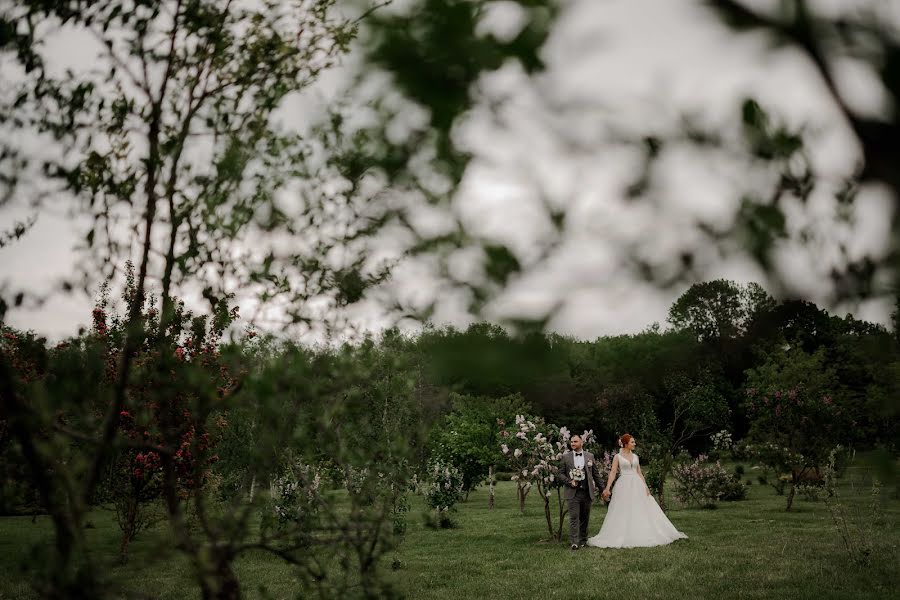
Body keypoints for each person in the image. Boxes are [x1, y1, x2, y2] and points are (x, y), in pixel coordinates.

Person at [587, 433, 687, 548]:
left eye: (634, 442)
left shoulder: (635, 457)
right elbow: (613, 472)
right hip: (624, 484)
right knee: (624, 509)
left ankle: (642, 531)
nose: (634, 444)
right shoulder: (617, 457)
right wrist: (607, 488)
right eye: (632, 442)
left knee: (640, 507)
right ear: (625, 444)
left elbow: (639, 472)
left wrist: (645, 487)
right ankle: (624, 533)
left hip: (637, 484)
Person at [557, 434, 604, 550]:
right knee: (574, 517)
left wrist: (603, 489)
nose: (573, 443)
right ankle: (574, 542)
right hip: (573, 493)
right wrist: (569, 481)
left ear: (581, 443)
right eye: (571, 442)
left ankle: (583, 540)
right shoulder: (566, 457)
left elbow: (596, 474)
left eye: (575, 441)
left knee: (585, 517)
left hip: (586, 492)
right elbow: (559, 473)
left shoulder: (590, 456)